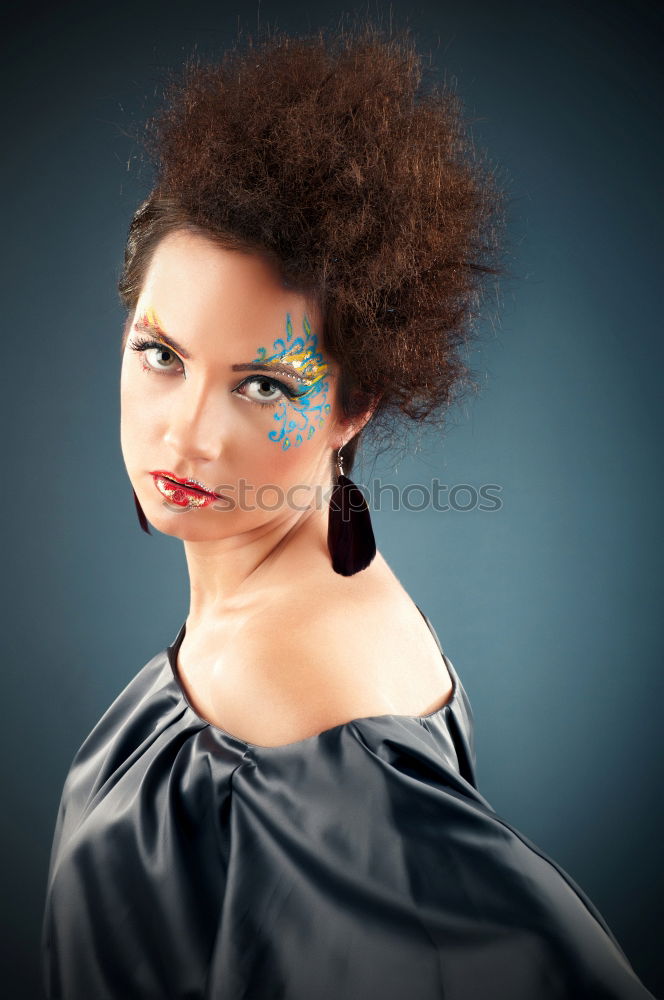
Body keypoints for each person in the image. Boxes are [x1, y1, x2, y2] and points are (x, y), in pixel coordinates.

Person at [41, 19, 656, 1000]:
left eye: (264, 386)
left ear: (356, 402)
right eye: (160, 355)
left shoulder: (296, 690)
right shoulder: (296, 595)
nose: (186, 436)